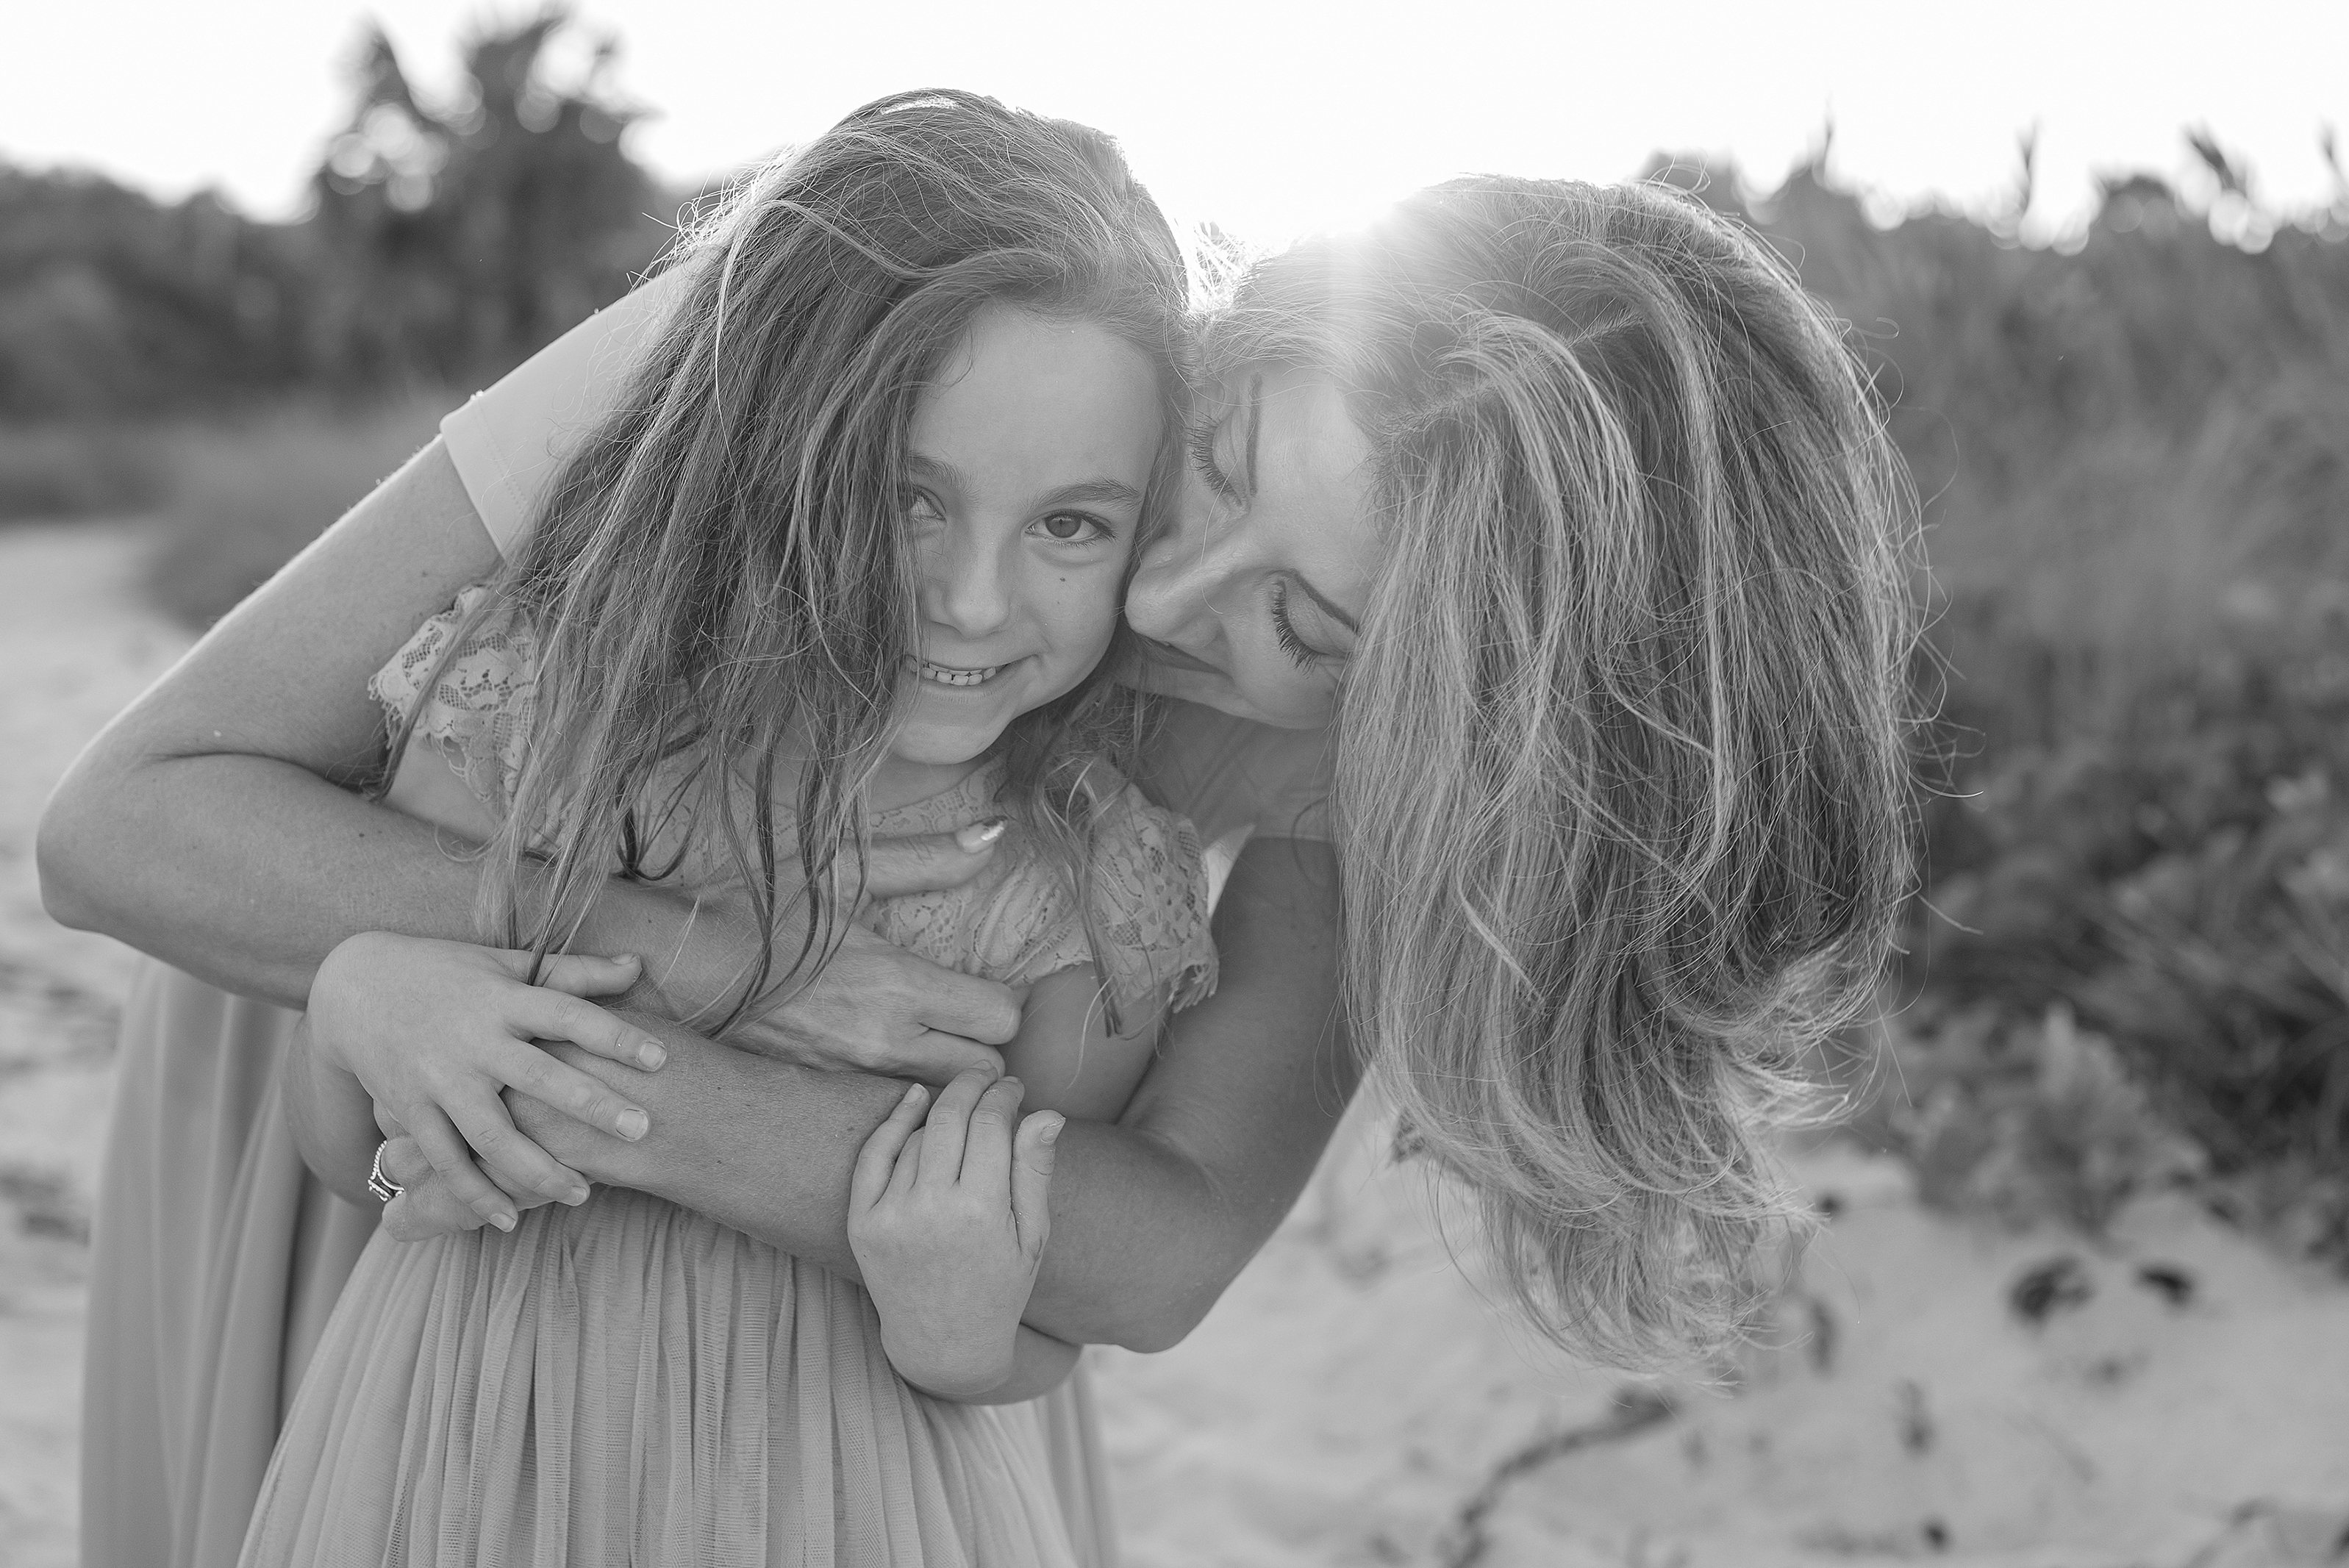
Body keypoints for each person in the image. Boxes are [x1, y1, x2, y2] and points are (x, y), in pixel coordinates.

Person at [40, 143, 1911, 1562]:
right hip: (360, 988)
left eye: (1313, 634)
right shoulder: (810, 319)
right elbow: (130, 818)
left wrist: (672, 1102)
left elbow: (1157, 1246)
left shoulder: (1382, 768)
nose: (1175, 598)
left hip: (750, 1242)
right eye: (1226, 466)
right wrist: (708, 966)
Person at [238, 90, 1229, 1562]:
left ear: (1147, 535)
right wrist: (354, 1003)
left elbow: (1038, 1311)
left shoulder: (1087, 882)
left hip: (841, 1493)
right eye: (908, 499)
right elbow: (354, 1157)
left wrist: (964, 1335)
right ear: (782, 457)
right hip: (462, 1451)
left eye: (1069, 524)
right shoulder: (549, 724)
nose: (969, 598)